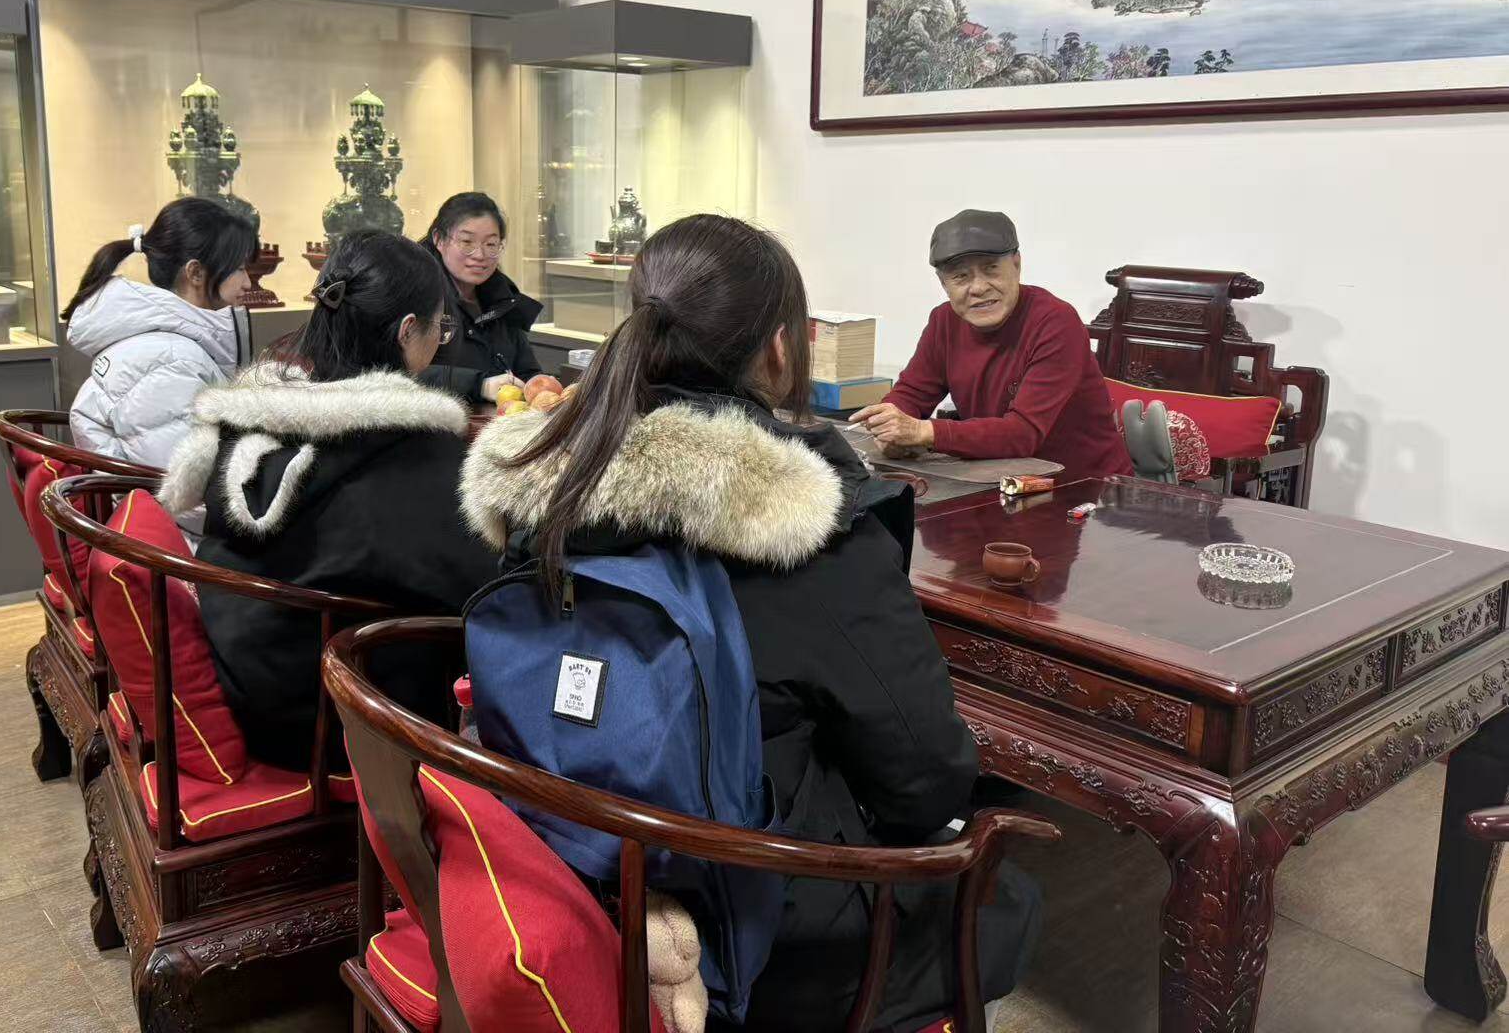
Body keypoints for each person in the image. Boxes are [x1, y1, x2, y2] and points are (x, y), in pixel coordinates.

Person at [459, 214, 1038, 1033]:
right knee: (1006, 898)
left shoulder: (540, 483)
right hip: (758, 929)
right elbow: (924, 782)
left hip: (567, 856)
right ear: (777, 348)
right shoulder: (810, 533)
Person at [159, 230, 500, 771]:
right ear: (407, 330)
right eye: (441, 326)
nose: (441, 339)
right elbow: (478, 591)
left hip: (252, 673)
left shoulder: (260, 417)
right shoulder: (409, 449)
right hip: (338, 721)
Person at [852, 209, 1133, 478]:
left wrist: (922, 432)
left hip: (1088, 488)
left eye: (991, 269)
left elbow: (1023, 433)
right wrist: (888, 426)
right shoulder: (944, 321)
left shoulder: (1055, 321)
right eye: (960, 276)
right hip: (1001, 478)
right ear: (944, 284)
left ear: (1017, 265)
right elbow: (912, 393)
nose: (978, 287)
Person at [64, 196, 255, 470]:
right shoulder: (175, 361)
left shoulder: (164, 345)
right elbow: (183, 485)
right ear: (196, 273)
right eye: (239, 269)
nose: (248, 283)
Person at [420, 191, 544, 403]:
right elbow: (398, 373)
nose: (479, 255)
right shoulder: (417, 296)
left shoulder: (503, 299)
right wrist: (479, 385)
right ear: (439, 239)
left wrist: (541, 385)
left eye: (490, 244)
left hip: (502, 419)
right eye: (467, 242)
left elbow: (528, 372)